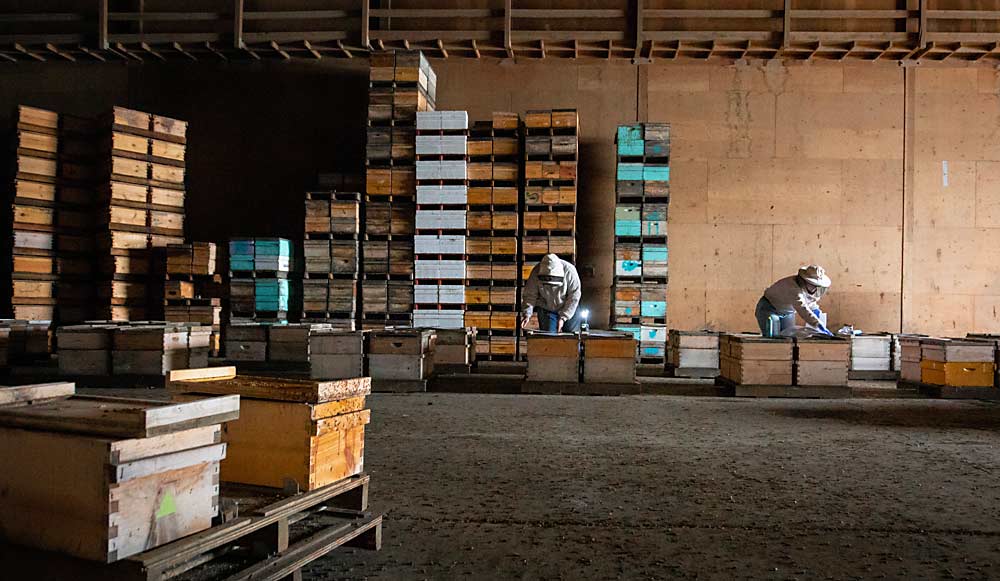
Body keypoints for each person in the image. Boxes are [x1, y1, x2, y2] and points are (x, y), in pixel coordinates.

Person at [755, 265, 833, 337]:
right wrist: (817, 323)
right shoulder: (793, 288)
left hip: (788, 311)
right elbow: (802, 308)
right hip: (769, 308)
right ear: (804, 281)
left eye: (816, 285)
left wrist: (817, 313)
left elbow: (810, 303)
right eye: (812, 284)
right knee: (773, 338)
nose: (814, 288)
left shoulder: (806, 288)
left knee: (788, 337)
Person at [522, 253, 582, 333]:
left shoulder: (570, 270)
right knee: (549, 337)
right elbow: (530, 294)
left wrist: (563, 317)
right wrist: (527, 314)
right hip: (546, 308)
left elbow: (574, 296)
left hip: (569, 306)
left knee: (571, 336)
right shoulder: (536, 272)